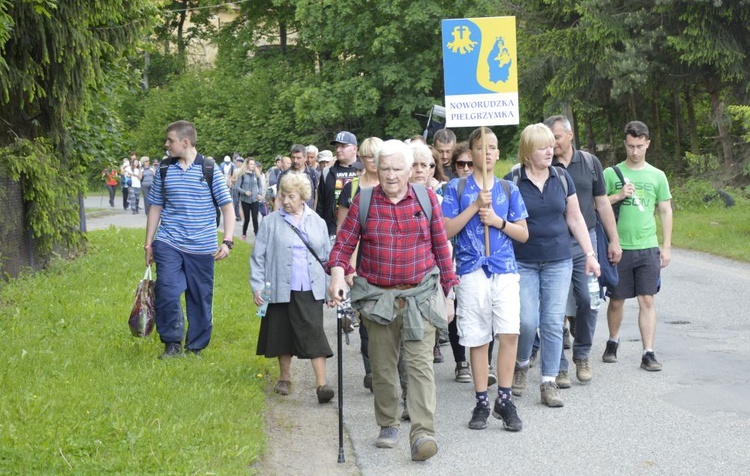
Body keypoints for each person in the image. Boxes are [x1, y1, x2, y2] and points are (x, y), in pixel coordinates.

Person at [328, 139, 458, 462]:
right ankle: (387, 424)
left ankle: (422, 433)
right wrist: (335, 274)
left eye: (397, 168)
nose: (390, 175)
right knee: (384, 368)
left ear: (410, 169)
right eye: (384, 168)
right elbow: (343, 245)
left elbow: (442, 250)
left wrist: (450, 293)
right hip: (378, 299)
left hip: (420, 297)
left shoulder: (427, 199)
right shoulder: (366, 200)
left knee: (420, 366)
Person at [505, 123, 599, 408]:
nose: (550, 151)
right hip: (523, 260)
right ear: (527, 151)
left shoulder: (561, 177)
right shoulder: (513, 179)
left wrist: (590, 254)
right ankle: (522, 363)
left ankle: (548, 381)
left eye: (551, 145)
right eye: (542, 147)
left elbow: (575, 218)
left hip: (559, 259)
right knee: (527, 320)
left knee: (552, 320)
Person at [443, 127, 529, 431]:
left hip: (504, 269)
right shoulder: (456, 187)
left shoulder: (508, 189)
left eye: (493, 148)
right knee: (478, 337)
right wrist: (475, 207)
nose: (488, 153)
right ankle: (481, 400)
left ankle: (504, 399)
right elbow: (446, 230)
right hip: (471, 270)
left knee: (509, 333)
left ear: (498, 153)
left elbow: (523, 232)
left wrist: (497, 221)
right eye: (482, 148)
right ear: (472, 152)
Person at [145, 120, 235, 358]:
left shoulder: (208, 169)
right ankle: (172, 343)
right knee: (167, 290)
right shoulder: (164, 169)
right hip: (169, 241)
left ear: (185, 142)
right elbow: (155, 206)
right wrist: (149, 242)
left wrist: (227, 240)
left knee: (200, 297)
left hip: (202, 246)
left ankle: (195, 347)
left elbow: (227, 207)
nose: (166, 144)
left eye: (170, 140)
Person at [544, 115, 622, 386]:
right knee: (555, 308)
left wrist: (614, 240)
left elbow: (602, 204)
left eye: (555, 137)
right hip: (554, 245)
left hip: (585, 243)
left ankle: (583, 354)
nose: (551, 143)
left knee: (590, 300)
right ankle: (559, 365)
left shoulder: (590, 163)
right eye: (548, 137)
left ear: (570, 135)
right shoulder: (544, 163)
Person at [251, 173, 335, 403]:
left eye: (291, 196)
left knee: (314, 332)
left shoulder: (317, 221)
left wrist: (331, 287)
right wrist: (258, 287)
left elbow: (327, 258)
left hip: (310, 287)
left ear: (303, 198)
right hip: (278, 285)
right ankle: (285, 378)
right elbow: (258, 258)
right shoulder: (270, 223)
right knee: (281, 333)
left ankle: (322, 385)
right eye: (283, 196)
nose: (286, 201)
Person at [602, 120, 672, 371]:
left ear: (647, 144)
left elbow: (665, 210)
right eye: (630, 146)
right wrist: (618, 195)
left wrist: (666, 246)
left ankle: (648, 352)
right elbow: (598, 204)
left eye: (639, 146)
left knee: (647, 300)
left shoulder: (657, 175)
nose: (634, 151)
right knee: (617, 300)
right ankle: (612, 340)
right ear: (625, 144)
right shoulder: (611, 173)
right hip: (619, 247)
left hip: (647, 246)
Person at [317, 131, 361, 238]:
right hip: (332, 233)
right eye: (337, 146)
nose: (338, 150)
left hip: (359, 234)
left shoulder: (364, 171)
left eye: (343, 146)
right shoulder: (327, 172)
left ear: (355, 148)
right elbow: (320, 205)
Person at [276, 145, 318, 210]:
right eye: (293, 157)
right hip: (287, 215)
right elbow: (278, 198)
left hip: (308, 215)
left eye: (299, 158)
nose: (295, 161)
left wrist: (314, 215)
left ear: (305, 158)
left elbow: (316, 197)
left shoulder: (313, 174)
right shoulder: (284, 175)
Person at [236, 157, 265, 240]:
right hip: (245, 200)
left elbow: (260, 186)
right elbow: (237, 187)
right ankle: (244, 234)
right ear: (247, 164)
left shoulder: (256, 174)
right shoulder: (242, 174)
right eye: (251, 164)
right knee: (247, 219)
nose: (252, 166)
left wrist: (260, 194)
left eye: (253, 164)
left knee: (255, 218)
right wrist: (245, 192)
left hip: (255, 199)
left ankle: (257, 234)